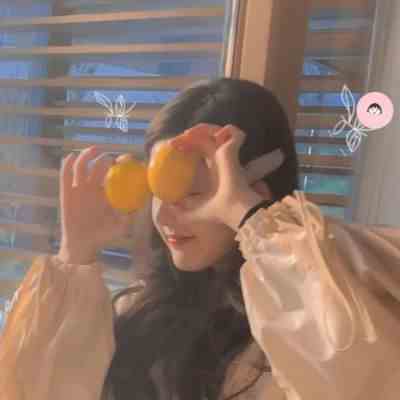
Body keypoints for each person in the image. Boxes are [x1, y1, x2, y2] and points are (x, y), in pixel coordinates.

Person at [1, 77, 400, 400]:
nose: (165, 215)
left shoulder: (306, 321)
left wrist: (253, 220)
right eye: (158, 191)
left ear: (255, 188)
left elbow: (368, 374)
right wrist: (76, 254)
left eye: (193, 192)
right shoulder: (140, 309)